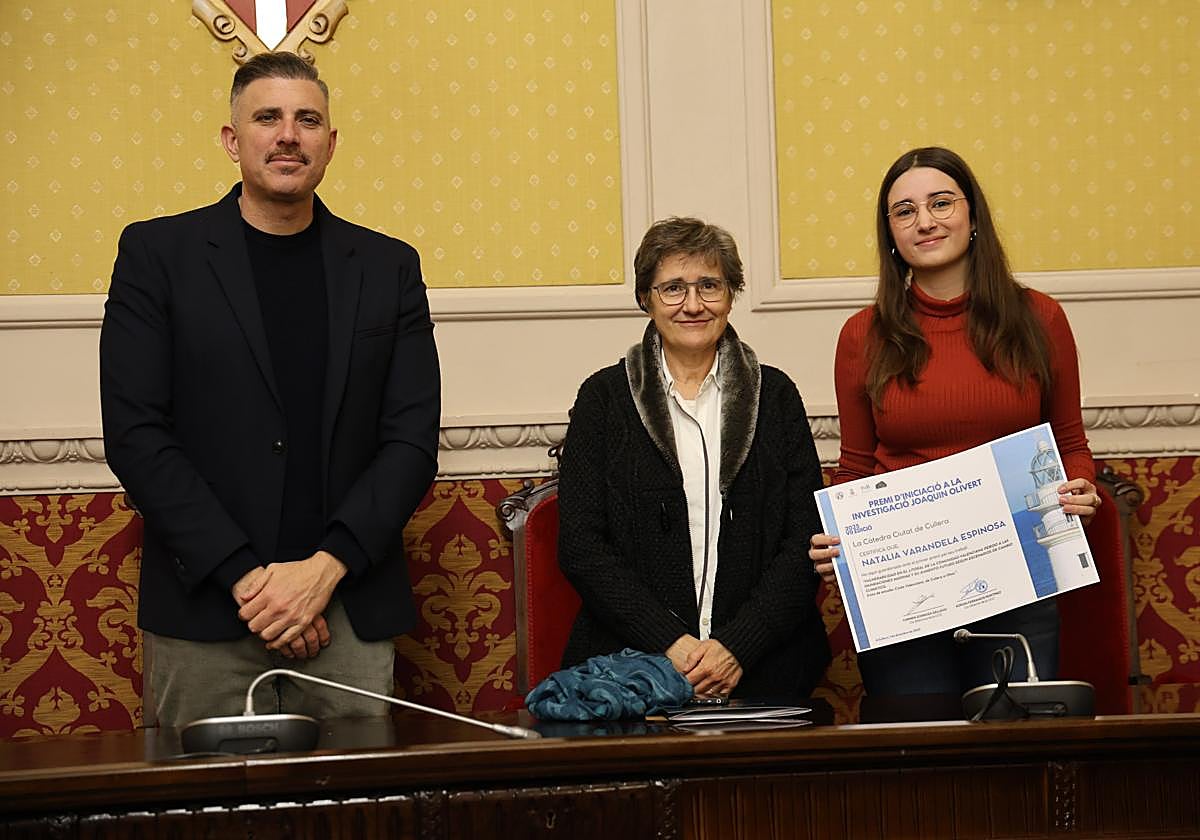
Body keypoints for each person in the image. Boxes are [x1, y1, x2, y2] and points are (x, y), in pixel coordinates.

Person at [99, 52, 440, 727]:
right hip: (205, 610)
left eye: (307, 120)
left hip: (347, 609)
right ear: (233, 140)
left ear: (330, 144)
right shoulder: (156, 256)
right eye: (267, 118)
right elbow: (136, 436)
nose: (288, 135)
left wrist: (322, 572)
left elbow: (410, 440)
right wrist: (250, 581)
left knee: (359, 795)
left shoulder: (389, 266)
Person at [809, 146, 1100, 696]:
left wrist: (1080, 487)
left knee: (1014, 738)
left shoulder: (1040, 318)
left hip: (1022, 576)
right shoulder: (862, 335)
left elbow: (1069, 444)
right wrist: (838, 541)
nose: (925, 221)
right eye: (905, 211)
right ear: (890, 233)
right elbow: (855, 467)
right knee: (915, 739)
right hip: (903, 589)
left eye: (941, 203)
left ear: (972, 216)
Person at [557, 218, 831, 701]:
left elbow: (803, 540)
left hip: (766, 668)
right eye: (673, 288)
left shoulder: (776, 395)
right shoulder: (603, 398)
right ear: (645, 298)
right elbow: (581, 546)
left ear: (731, 294)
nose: (693, 304)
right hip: (634, 671)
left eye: (709, 285)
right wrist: (672, 645)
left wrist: (737, 647)